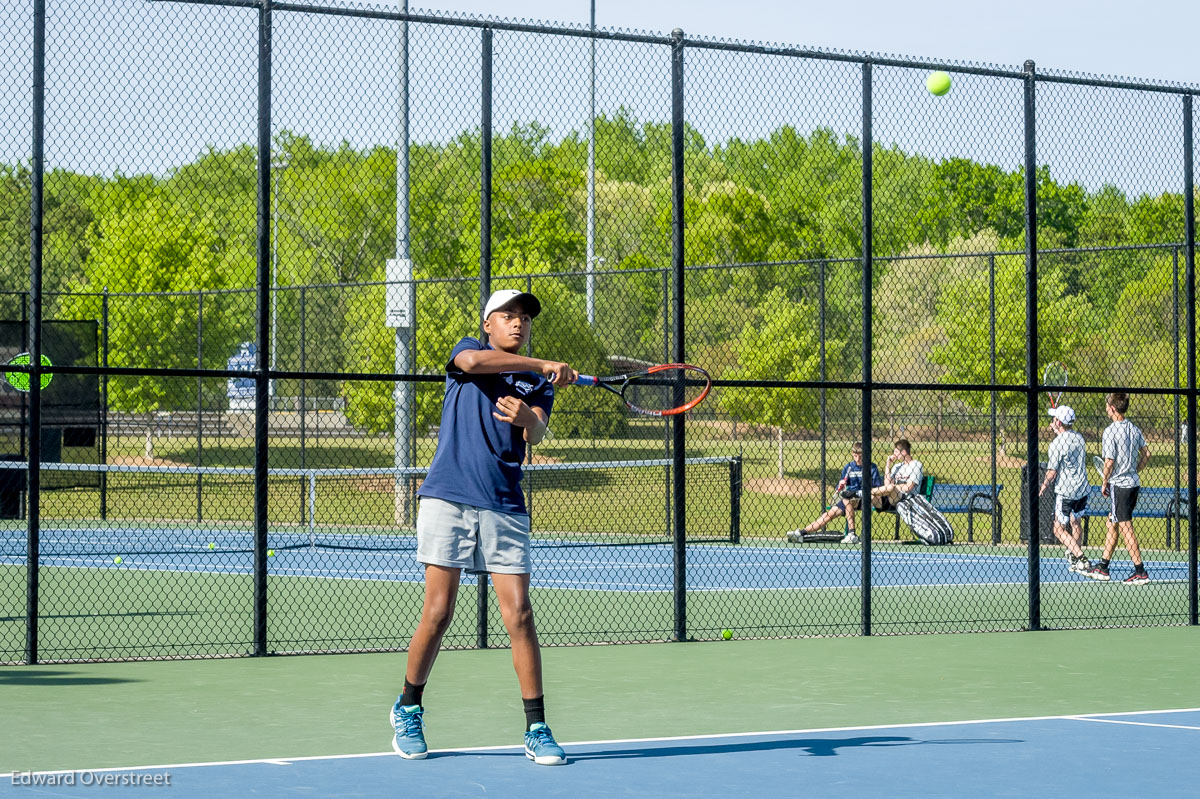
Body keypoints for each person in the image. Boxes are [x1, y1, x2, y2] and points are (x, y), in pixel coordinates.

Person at [391, 289, 576, 765]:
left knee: (519, 615)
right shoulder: (466, 349)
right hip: (448, 496)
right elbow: (473, 365)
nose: (518, 323)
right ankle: (408, 708)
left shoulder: (540, 385)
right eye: (508, 316)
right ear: (488, 324)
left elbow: (537, 431)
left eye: (525, 319)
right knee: (438, 612)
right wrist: (539, 364)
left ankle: (536, 726)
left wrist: (526, 417)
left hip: (504, 503)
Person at [1083, 392, 1151, 584]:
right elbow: (1147, 454)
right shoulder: (1134, 429)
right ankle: (1103, 566)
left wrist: (1104, 482)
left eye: (1107, 406)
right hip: (1133, 484)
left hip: (1119, 486)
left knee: (1125, 526)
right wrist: (1135, 469)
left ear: (1112, 409)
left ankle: (1140, 571)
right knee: (1112, 522)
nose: (1105, 409)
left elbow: (1109, 461)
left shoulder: (1110, 431)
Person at [785, 442, 882, 544]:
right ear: (852, 453)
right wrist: (841, 485)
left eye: (861, 456)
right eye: (855, 455)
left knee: (847, 498)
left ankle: (851, 534)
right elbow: (839, 489)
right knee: (828, 515)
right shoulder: (848, 467)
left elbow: (877, 488)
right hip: (849, 498)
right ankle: (801, 533)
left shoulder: (872, 467)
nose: (858, 459)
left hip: (865, 499)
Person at [1037, 406, 1092, 573]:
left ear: (1058, 422)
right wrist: (1059, 432)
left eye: (1055, 419)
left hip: (1066, 491)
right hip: (1082, 489)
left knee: (1058, 529)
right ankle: (1075, 559)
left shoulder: (1056, 444)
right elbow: (1067, 443)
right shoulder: (1079, 438)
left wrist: (1043, 486)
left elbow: (1052, 472)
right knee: (1076, 524)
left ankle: (1081, 557)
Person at [865, 439, 923, 511]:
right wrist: (888, 464)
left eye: (896, 452)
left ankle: (865, 491)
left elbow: (909, 487)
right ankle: (866, 519)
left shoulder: (916, 465)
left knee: (891, 487)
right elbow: (887, 485)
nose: (894, 454)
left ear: (904, 452)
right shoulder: (897, 466)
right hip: (889, 499)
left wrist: (893, 487)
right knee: (871, 497)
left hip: (906, 500)